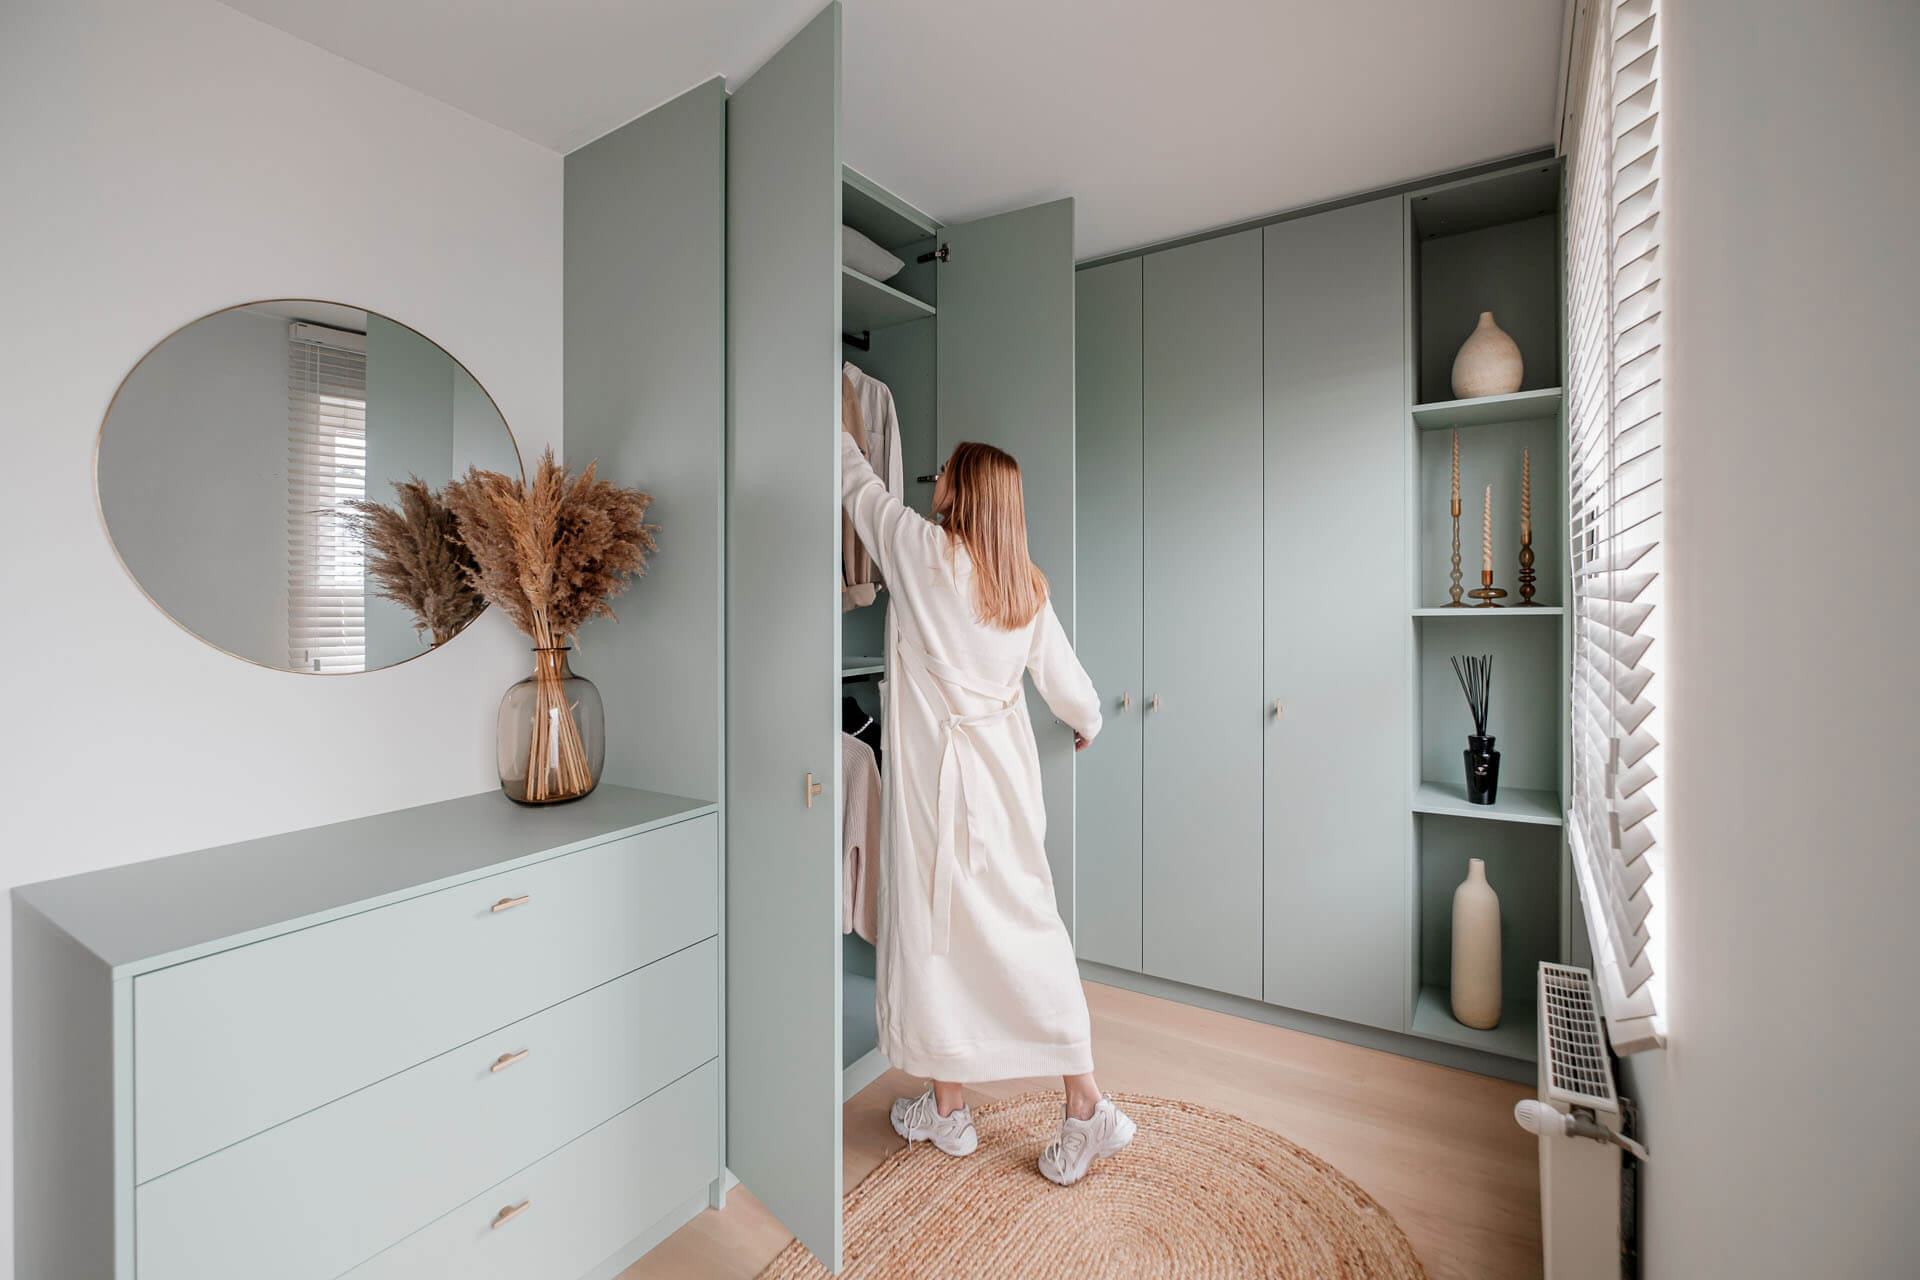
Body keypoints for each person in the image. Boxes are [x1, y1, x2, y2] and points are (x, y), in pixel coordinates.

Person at [840, 425, 1134, 1186]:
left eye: (945, 472)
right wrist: (1088, 723)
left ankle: (1079, 1106)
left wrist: (826, 419)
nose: (933, 477)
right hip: (1003, 790)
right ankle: (957, 1106)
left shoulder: (920, 551)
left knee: (936, 935)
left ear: (962, 492)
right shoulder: (1022, 585)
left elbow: (858, 488)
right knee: (1021, 930)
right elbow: (1067, 682)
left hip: (936, 794)